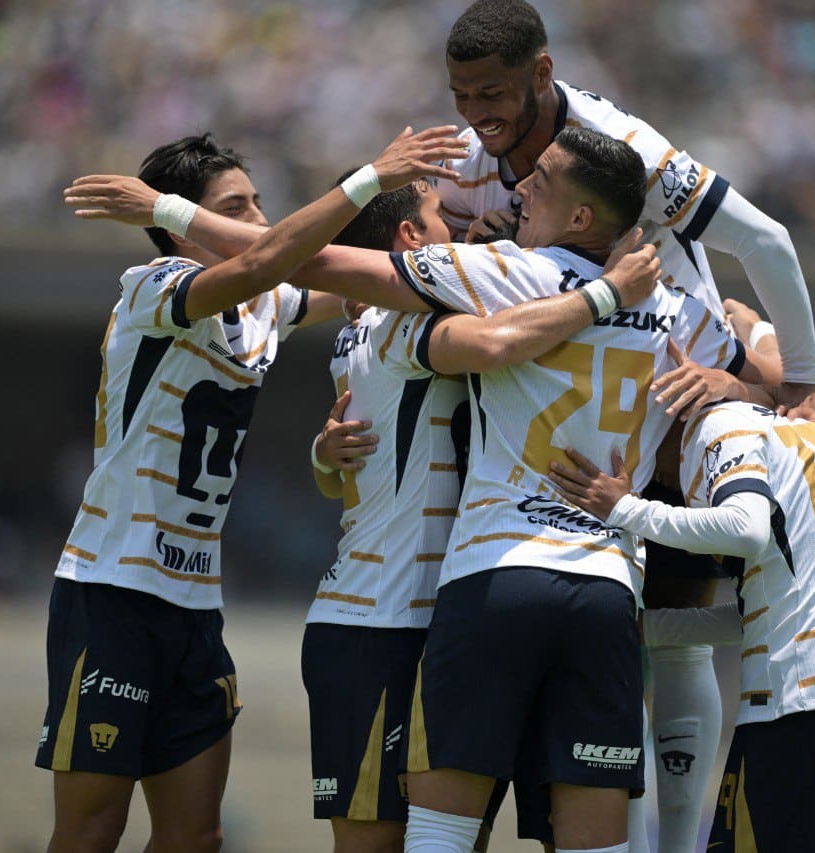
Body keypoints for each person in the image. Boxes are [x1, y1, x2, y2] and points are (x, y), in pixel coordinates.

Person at [435, 3, 815, 846]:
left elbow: (765, 240)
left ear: (543, 73)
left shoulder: (625, 149)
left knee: (676, 627)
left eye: (492, 93)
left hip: (666, 386)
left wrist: (800, 379)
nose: (476, 114)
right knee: (615, 644)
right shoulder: (463, 162)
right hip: (548, 414)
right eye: (461, 94)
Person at [37, 124, 466, 853]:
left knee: (196, 837)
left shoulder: (265, 304)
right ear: (182, 226)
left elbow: (367, 278)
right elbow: (271, 257)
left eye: (259, 203)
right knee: (91, 830)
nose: (259, 220)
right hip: (111, 591)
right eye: (235, 208)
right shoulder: (154, 287)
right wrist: (371, 176)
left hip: (195, 603)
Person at [304, 172, 661, 853]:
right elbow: (497, 342)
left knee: (453, 834)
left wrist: (322, 458)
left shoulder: (364, 323)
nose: (466, 226)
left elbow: (346, 466)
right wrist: (608, 291)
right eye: (447, 216)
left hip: (451, 606)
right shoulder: (403, 321)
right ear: (412, 239)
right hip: (380, 619)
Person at [547, 398, 815, 853]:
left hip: (801, 707)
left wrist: (626, 509)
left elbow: (747, 529)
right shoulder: (803, 437)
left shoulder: (719, 424)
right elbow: (773, 609)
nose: (653, 479)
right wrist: (650, 628)